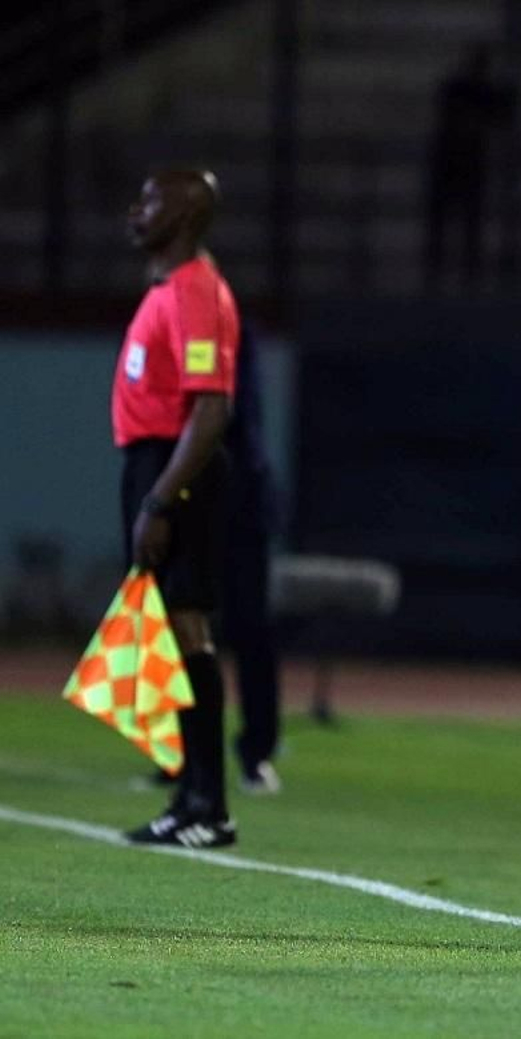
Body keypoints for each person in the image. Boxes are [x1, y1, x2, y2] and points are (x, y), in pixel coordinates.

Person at [114, 169, 241, 847]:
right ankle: (187, 793)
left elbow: (211, 409)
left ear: (189, 213)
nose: (136, 209)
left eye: (152, 199)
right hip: (153, 463)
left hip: (175, 466)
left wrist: (161, 497)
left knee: (190, 628)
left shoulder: (196, 290)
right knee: (170, 630)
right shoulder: (170, 287)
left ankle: (208, 805)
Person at [222, 322, 283, 793]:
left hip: (239, 496)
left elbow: (229, 413)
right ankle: (174, 753)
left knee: (251, 628)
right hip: (189, 492)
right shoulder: (161, 311)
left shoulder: (224, 323)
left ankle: (258, 751)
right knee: (177, 627)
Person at [424, 43, 513, 290]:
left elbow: (502, 120)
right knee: (446, 224)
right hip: (451, 164)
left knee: (468, 225)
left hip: (467, 164)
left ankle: (464, 275)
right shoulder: (458, 90)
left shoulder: (480, 93)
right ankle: (439, 274)